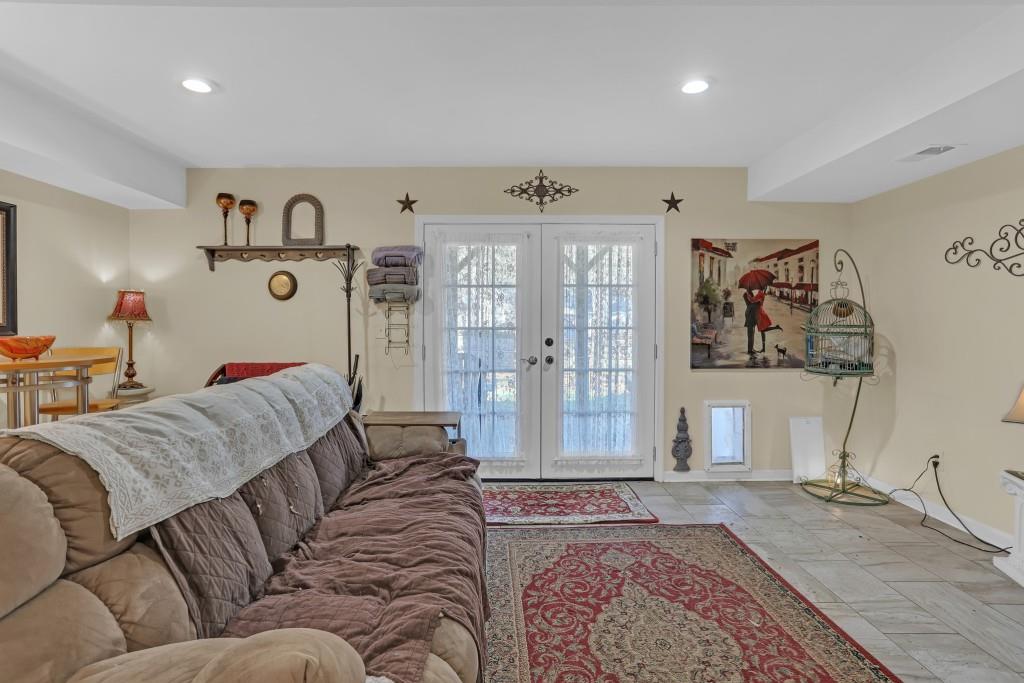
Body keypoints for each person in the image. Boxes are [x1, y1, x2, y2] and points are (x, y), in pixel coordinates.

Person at [742, 289, 783, 354]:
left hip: (760, 315)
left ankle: (760, 349)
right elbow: (752, 301)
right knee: (761, 331)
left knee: (762, 330)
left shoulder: (760, 294)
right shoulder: (760, 294)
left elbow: (752, 300)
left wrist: (748, 294)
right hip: (758, 314)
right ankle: (759, 349)